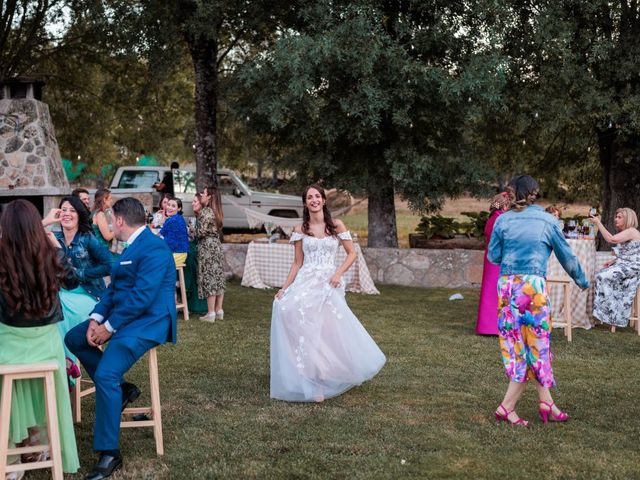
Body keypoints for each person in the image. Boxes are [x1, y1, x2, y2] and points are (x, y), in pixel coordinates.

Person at [65, 197, 177, 480]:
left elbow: (143, 297)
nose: (108, 222)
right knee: (75, 337)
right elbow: (113, 292)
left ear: (120, 221)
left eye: (111, 218)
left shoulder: (154, 248)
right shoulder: (129, 247)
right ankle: (123, 389)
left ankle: (109, 453)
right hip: (125, 317)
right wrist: (95, 319)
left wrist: (109, 327)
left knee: (105, 374)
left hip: (149, 322)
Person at [488, 175, 589, 426]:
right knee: (537, 346)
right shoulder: (548, 221)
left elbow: (493, 255)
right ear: (535, 193)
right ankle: (507, 407)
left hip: (508, 287)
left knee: (516, 346)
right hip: (532, 289)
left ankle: (546, 402)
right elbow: (567, 256)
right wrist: (582, 280)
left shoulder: (503, 221)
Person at [270, 184, 386, 402]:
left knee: (326, 329)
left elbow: (351, 254)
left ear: (323, 200)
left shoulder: (336, 225)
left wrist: (338, 274)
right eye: (309, 197)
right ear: (305, 203)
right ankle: (310, 375)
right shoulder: (299, 229)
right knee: (288, 311)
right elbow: (297, 263)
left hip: (328, 282)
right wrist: (284, 288)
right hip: (306, 280)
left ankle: (325, 375)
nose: (314, 200)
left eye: (317, 196)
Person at [0, 200, 80, 476]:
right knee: (39, 386)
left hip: (8, 347)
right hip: (46, 347)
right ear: (37, 226)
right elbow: (72, 282)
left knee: (8, 385)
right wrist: (58, 248)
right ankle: (39, 442)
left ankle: (11, 455)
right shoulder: (50, 254)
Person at [42, 196, 113, 372]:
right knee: (48, 302)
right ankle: (59, 361)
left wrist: (80, 274)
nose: (67, 214)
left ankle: (65, 362)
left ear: (80, 215)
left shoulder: (88, 239)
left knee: (58, 305)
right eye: (63, 210)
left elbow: (109, 265)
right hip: (64, 293)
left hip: (89, 296)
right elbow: (21, 237)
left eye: (72, 210)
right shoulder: (54, 237)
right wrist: (45, 222)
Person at [590, 208, 640, 331]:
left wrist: (598, 223)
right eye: (616, 216)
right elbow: (629, 252)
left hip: (633, 268)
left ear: (628, 219)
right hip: (625, 265)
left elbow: (611, 239)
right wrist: (613, 261)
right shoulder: (627, 232)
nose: (616, 219)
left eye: (619, 217)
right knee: (599, 274)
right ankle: (606, 313)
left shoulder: (631, 231)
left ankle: (611, 312)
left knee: (602, 276)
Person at [475, 192, 510, 335]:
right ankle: (494, 327)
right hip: (498, 259)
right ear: (505, 205)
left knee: (490, 291)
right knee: (497, 292)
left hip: (490, 258)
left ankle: (486, 326)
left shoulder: (492, 218)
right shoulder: (500, 219)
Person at [196, 187, 226, 322]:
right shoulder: (217, 212)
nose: (201, 195)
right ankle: (219, 310)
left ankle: (210, 313)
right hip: (216, 244)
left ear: (209, 197)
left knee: (210, 277)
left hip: (207, 246)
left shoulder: (206, 211)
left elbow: (200, 232)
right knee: (218, 276)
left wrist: (191, 230)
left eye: (204, 193)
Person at [159, 197, 189, 267]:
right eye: (168, 205)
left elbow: (171, 243)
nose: (169, 207)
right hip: (178, 252)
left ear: (179, 209)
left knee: (153, 261)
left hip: (178, 253)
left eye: (173, 206)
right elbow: (162, 233)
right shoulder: (174, 218)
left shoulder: (174, 220)